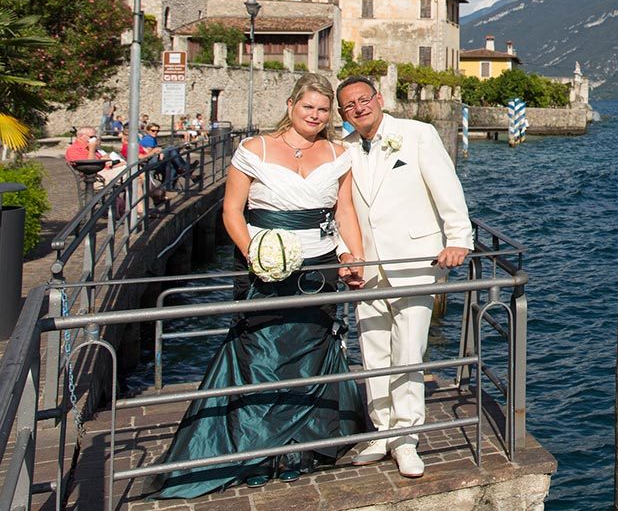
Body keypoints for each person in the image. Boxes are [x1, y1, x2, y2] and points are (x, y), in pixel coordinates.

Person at [152, 74, 369, 498]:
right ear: (291, 105)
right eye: (308, 107)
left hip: (319, 269)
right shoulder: (254, 150)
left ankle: (300, 449)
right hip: (262, 267)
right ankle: (254, 452)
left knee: (309, 354)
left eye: (323, 110)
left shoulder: (339, 153)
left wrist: (353, 257)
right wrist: (254, 254)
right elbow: (232, 211)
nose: (315, 115)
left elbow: (344, 212)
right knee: (260, 354)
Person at [336, 75, 472, 479]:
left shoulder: (417, 134)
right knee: (373, 351)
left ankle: (407, 438)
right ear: (343, 114)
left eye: (364, 99)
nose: (359, 108)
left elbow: (447, 188)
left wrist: (458, 239)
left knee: (409, 353)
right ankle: (382, 432)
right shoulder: (342, 148)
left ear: (379, 99)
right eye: (349, 105)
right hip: (366, 266)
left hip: (414, 260)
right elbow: (339, 210)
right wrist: (347, 255)